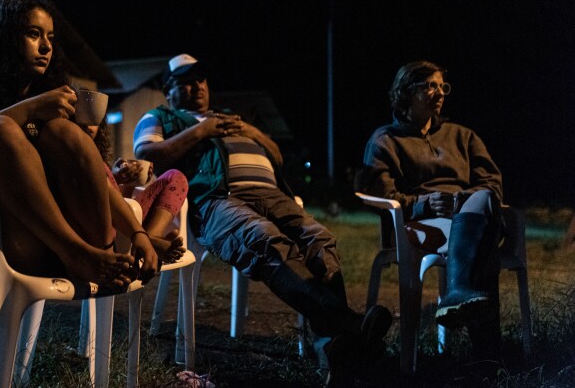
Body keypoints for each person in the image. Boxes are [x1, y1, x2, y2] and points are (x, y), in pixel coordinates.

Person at [134, 53, 391, 381]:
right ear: (169, 90)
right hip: (218, 199)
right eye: (185, 82)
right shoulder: (163, 116)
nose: (196, 86)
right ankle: (351, 328)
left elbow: (277, 155)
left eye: (200, 79)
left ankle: (335, 343)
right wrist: (202, 132)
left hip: (274, 195)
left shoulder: (229, 117)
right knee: (264, 240)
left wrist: (251, 131)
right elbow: (145, 152)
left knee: (320, 239)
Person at [0, 0, 157, 294]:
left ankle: (99, 251)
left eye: (50, 37)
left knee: (64, 132)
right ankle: (77, 254)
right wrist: (28, 110)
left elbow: (98, 177)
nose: (46, 46)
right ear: (3, 38)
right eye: (33, 34)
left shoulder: (50, 93)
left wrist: (138, 233)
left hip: (55, 239)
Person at [356, 60, 503, 357]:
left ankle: (458, 293)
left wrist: (462, 199)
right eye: (430, 86)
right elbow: (382, 196)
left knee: (484, 198)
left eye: (442, 86)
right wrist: (423, 203)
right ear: (406, 91)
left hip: (467, 212)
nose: (440, 93)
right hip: (421, 222)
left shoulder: (463, 136)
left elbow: (492, 182)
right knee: (484, 244)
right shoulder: (386, 140)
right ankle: (488, 355)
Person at [86, 120, 186, 263]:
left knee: (175, 177)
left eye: (93, 120)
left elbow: (121, 200)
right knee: (101, 168)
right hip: (109, 231)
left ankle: (152, 237)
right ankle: (150, 242)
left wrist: (126, 180)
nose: (89, 125)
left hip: (128, 222)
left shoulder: (99, 158)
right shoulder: (75, 159)